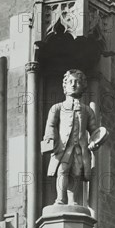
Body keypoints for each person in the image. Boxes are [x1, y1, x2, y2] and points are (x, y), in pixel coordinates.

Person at [42, 69, 101, 205]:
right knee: (62, 170)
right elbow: (50, 125)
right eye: (70, 82)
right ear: (65, 86)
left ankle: (72, 200)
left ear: (83, 86)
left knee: (76, 172)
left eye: (77, 82)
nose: (73, 85)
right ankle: (60, 199)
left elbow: (94, 131)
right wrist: (50, 138)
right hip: (63, 148)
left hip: (79, 149)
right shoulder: (57, 107)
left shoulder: (87, 110)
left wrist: (96, 142)